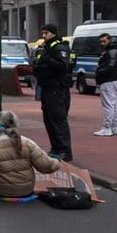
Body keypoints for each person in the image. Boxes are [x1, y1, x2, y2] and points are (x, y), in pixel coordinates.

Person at [0, 111, 60, 198]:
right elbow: (45, 165)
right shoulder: (28, 143)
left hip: (3, 190)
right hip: (26, 189)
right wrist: (57, 162)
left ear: (0, 125)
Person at [32, 24, 73, 162]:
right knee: (49, 120)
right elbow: (36, 66)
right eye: (43, 33)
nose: (43, 36)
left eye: (46, 33)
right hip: (47, 87)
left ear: (53, 33)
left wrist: (46, 59)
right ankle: (55, 147)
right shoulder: (46, 48)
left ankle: (64, 150)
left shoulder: (59, 47)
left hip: (56, 88)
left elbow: (62, 67)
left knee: (58, 119)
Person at [94, 33, 117, 137]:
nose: (102, 43)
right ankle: (114, 127)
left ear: (109, 40)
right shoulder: (114, 51)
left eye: (104, 41)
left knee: (108, 105)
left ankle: (107, 128)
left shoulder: (110, 52)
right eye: (101, 41)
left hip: (107, 81)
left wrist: (99, 72)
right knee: (114, 104)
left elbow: (110, 66)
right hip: (113, 80)